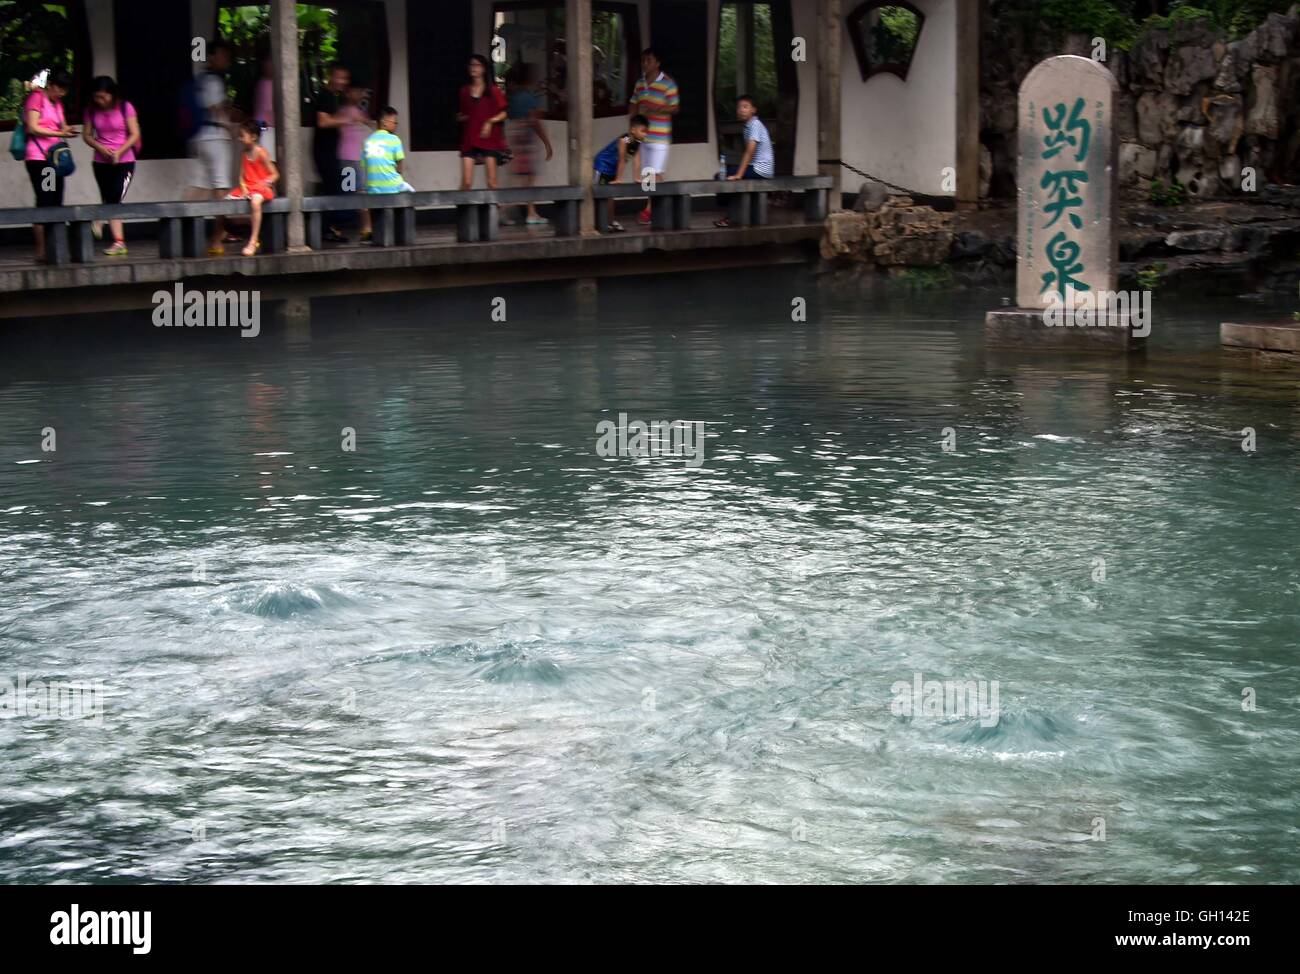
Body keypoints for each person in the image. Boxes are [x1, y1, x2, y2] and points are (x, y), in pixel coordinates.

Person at [188, 39, 238, 256]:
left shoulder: (201, 79)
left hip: (200, 137)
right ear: (213, 57)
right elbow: (218, 110)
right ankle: (217, 238)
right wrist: (231, 129)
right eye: (223, 55)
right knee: (221, 188)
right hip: (216, 138)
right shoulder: (214, 81)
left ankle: (176, 222)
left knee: (198, 186)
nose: (227, 60)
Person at [22, 70, 77, 262]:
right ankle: (41, 251)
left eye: (64, 91)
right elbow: (33, 127)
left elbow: (61, 126)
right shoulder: (37, 98)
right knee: (45, 199)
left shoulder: (58, 104)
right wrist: (61, 135)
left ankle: (55, 247)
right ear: (51, 84)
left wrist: (67, 131)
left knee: (57, 198)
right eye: (58, 89)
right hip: (40, 159)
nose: (61, 93)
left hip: (55, 157)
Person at [82, 75, 140, 256]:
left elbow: (135, 134)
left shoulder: (125, 107)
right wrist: (101, 148)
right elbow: (87, 135)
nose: (100, 101)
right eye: (97, 97)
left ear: (112, 94)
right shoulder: (91, 110)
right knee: (110, 198)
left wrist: (119, 152)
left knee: (114, 196)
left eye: (104, 97)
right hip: (101, 161)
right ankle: (119, 242)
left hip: (125, 161)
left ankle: (100, 220)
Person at [628, 48, 679, 225]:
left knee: (655, 173)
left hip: (660, 137)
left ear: (657, 63)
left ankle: (649, 210)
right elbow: (633, 103)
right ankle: (659, 207)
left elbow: (675, 107)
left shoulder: (667, 83)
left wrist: (658, 108)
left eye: (649, 60)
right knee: (648, 174)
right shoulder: (640, 83)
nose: (645, 64)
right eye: (643, 60)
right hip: (644, 136)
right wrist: (633, 126)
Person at [715, 94, 774, 228]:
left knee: (723, 177)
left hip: (761, 168)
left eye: (745, 107)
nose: (741, 110)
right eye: (739, 107)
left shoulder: (754, 125)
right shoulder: (749, 126)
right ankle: (732, 215)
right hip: (758, 167)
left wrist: (739, 174)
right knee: (724, 176)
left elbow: (749, 151)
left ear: (753, 110)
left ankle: (731, 216)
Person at [505, 63, 553, 226]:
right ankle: (520, 212)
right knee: (528, 179)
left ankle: (515, 211)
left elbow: (510, 116)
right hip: (526, 139)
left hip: (515, 136)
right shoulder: (529, 97)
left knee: (521, 178)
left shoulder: (514, 97)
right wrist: (547, 143)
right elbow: (535, 121)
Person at [226, 119, 279, 256]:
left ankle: (253, 240)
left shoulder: (261, 152)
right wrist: (243, 189)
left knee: (255, 202)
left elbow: (275, 174)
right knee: (224, 203)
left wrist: (264, 183)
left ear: (253, 137)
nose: (240, 139)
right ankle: (251, 222)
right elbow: (241, 176)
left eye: (242, 136)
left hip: (262, 188)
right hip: (249, 187)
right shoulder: (244, 154)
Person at [312, 63, 352, 242]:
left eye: (345, 78)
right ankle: (326, 229)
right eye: (340, 77)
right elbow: (322, 122)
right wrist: (343, 120)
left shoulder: (333, 97)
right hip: (323, 151)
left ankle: (328, 227)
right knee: (332, 188)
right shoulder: (325, 95)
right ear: (331, 76)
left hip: (329, 151)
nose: (343, 82)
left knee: (333, 187)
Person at [458, 54, 508, 190]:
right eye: (471, 65)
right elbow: (463, 113)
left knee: (492, 182)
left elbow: (504, 113)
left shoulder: (493, 91)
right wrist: (462, 118)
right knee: (467, 182)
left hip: (488, 139)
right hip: (470, 138)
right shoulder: (464, 91)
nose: (473, 68)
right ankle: (463, 209)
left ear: (484, 69)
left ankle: (496, 209)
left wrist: (490, 121)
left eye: (477, 65)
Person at [360, 106, 407, 245]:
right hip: (392, 187)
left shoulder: (367, 142)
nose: (396, 125)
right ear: (384, 122)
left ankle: (376, 233)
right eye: (395, 122)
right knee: (410, 192)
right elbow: (400, 167)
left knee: (370, 196)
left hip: (373, 188)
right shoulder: (395, 140)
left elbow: (365, 166)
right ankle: (401, 235)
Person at [592, 115, 647, 233]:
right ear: (633, 130)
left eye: (646, 132)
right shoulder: (625, 139)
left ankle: (611, 222)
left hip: (612, 168)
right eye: (642, 131)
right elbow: (622, 159)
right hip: (602, 166)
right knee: (600, 194)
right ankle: (597, 223)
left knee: (610, 196)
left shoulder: (637, 142)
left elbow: (637, 161)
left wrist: (637, 177)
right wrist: (618, 179)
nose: (645, 134)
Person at [337, 85, 373, 238]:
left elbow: (370, 124)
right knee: (353, 191)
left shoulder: (357, 112)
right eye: (355, 91)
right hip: (349, 159)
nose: (357, 94)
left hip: (358, 159)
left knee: (358, 191)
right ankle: (365, 226)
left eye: (359, 91)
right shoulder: (343, 112)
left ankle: (366, 227)